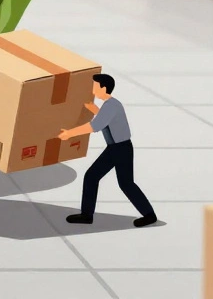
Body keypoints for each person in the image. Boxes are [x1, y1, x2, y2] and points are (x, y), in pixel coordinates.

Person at [58, 73, 158, 228]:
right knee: (96, 177)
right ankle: (87, 215)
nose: (92, 89)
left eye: (95, 86)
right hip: (116, 148)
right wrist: (96, 110)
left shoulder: (112, 105)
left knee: (124, 183)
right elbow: (106, 120)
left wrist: (69, 134)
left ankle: (149, 215)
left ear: (103, 88)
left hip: (120, 149)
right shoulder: (110, 105)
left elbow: (95, 126)